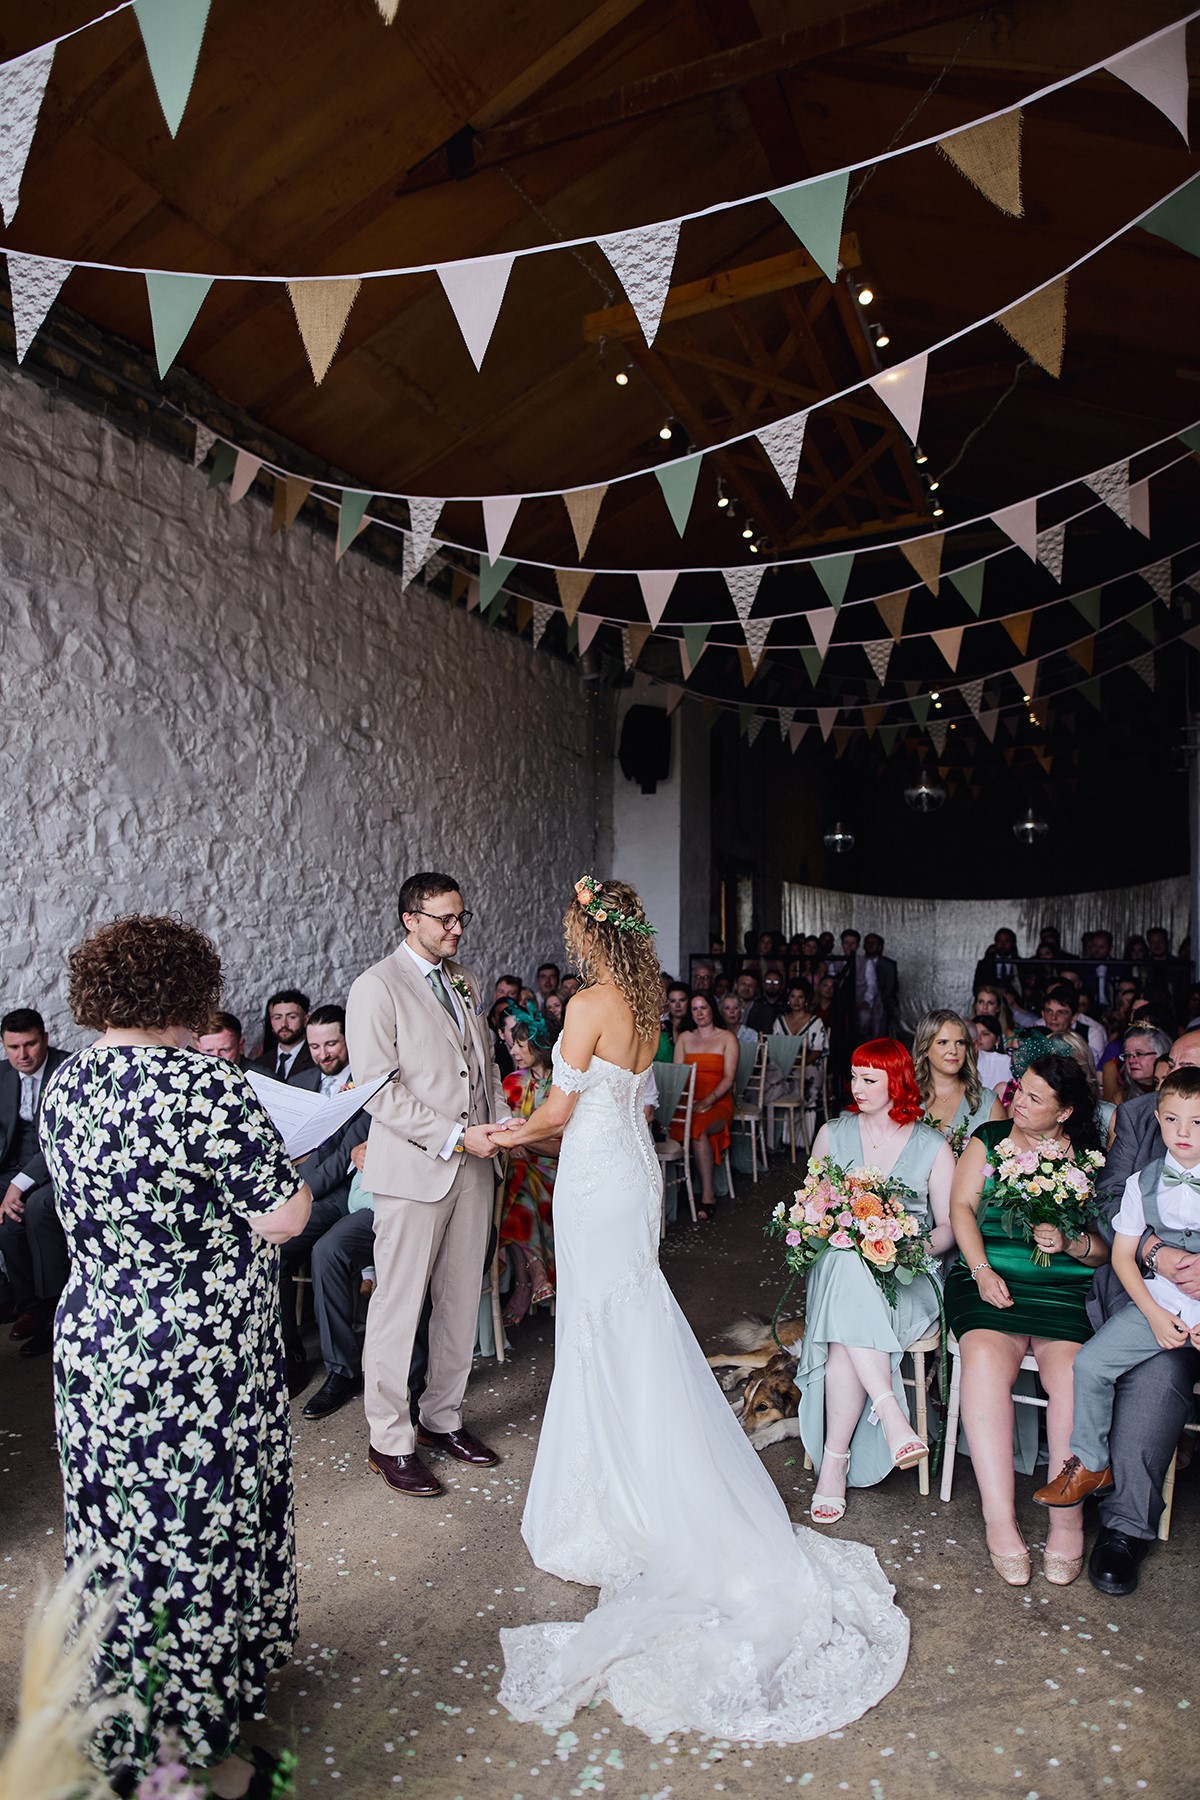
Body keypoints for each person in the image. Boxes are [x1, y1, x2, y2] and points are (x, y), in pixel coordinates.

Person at [492, 876, 908, 1742]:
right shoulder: (644, 1002)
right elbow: (628, 1098)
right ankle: (642, 1461)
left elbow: (559, 1112)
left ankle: (616, 1492)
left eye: (573, 931)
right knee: (626, 1315)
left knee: (602, 1322)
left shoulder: (591, 1001)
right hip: (634, 1175)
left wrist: (495, 1133)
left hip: (598, 1176)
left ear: (587, 933)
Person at [41, 914, 311, 1795]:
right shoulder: (209, 1088)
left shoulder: (65, 1084)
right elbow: (282, 1216)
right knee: (198, 1531)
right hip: (195, 1349)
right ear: (186, 991)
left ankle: (123, 1701)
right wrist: (292, 1171)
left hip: (97, 1336)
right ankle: (196, 1732)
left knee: (118, 1527)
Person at [345, 871, 503, 1500]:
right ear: (411, 918)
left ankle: (442, 1419)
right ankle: (389, 1439)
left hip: (475, 1164)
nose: (457, 928)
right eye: (445, 919)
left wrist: (493, 1134)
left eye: (462, 917)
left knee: (461, 1298)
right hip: (415, 1167)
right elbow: (378, 1089)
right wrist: (456, 1135)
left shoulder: (461, 981)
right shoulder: (375, 986)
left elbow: (478, 1067)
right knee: (398, 1305)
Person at [943, 1054, 1108, 1586]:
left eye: (1036, 1098)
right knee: (986, 1364)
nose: (1019, 1101)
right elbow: (962, 1210)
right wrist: (982, 1271)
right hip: (989, 1280)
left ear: (1065, 1113)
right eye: (1020, 1090)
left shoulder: (1087, 1158)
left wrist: (1069, 1241)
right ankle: (1000, 1519)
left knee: (1077, 1377)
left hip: (1062, 1290)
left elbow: (1106, 1250)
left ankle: (1067, 1522)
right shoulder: (989, 1138)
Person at [796, 1041, 955, 1522]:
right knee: (846, 1261)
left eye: (870, 1079)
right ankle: (891, 1415)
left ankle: (834, 1463)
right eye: (854, 1077)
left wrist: (905, 1247)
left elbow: (947, 1228)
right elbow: (809, 1210)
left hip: (906, 1274)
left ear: (897, 1083)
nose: (857, 1088)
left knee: (845, 1329)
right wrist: (833, 1229)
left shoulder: (932, 1145)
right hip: (840, 1269)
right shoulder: (832, 1133)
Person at [1034, 1066, 1200, 1514]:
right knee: (1089, 1365)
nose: (1182, 1132)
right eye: (1171, 1120)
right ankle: (1091, 1463)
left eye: (1197, 1122)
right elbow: (1123, 1257)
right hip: (1160, 1300)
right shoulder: (1140, 1182)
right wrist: (1153, 1314)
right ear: (1157, 1117)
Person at [1081, 1027, 1200, 1592]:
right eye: (1172, 1063)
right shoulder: (1140, 1116)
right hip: (1145, 1284)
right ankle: (1118, 1513)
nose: (1174, 1075)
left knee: (1157, 1368)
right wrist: (1157, 1250)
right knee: (1141, 1364)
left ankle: (1124, 1516)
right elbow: (1108, 1198)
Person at [0, 1009, 69, 1351]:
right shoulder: (2, 1075)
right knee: (8, 1221)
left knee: (37, 1211)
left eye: (29, 1044)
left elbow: (62, 1137)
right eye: (13, 1047)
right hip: (11, 1167)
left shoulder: (67, 1070)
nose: (22, 1055)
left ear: (44, 1039)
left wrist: (19, 1183)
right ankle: (27, 1306)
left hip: (55, 1167)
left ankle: (51, 1309)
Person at [498, 1006, 558, 1325]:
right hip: (518, 1167)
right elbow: (496, 1130)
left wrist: (521, 1140)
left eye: (521, 1044)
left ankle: (525, 1284)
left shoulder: (562, 1087)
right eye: (512, 1044)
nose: (514, 1051)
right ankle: (535, 1276)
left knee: (522, 1183)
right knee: (517, 1181)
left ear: (540, 1044)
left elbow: (563, 1145)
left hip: (555, 1167)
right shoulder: (511, 1083)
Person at [670, 990, 738, 1222]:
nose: (699, 1013)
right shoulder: (684, 1038)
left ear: (712, 1009)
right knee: (663, 1126)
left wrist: (708, 1100)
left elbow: (729, 1077)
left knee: (698, 1128)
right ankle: (671, 1194)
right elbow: (678, 1075)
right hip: (686, 1102)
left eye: (703, 1007)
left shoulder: (727, 1038)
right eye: (695, 1009)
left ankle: (707, 1195)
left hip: (717, 1102)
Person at [913, 1010, 1006, 1153]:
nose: (953, 1050)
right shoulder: (906, 1097)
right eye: (943, 1042)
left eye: (960, 1043)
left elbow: (1002, 1163)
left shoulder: (988, 1103)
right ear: (924, 1049)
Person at [768, 978, 830, 1145]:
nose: (796, 1001)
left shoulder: (815, 1021)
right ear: (788, 999)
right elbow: (776, 1047)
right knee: (771, 1080)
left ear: (806, 1000)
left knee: (806, 1081)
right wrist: (786, 1064)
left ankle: (802, 1141)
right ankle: (782, 1139)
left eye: (800, 997)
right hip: (784, 1064)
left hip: (810, 1064)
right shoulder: (780, 1021)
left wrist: (800, 1065)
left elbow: (817, 1050)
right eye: (793, 997)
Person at [250, 988, 315, 1082]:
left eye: (292, 1017)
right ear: (271, 1021)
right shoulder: (261, 1063)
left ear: (305, 1020)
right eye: (277, 1018)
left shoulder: (315, 1059)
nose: (284, 1024)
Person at [1102, 1022, 1172, 1107]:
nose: (1131, 1060)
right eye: (1127, 1055)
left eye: (1139, 1053)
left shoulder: (1177, 1095)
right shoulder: (1119, 1100)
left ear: (1161, 1054)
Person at [305, 1003, 351, 1095]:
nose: (323, 1056)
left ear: (347, 1039)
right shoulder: (296, 1082)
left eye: (331, 1044)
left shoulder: (368, 1080)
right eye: (315, 1047)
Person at [972, 1016, 1013, 1094]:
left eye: (985, 1034)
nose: (979, 1038)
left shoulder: (1006, 1062)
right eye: (975, 1033)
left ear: (997, 1040)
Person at [655, 980, 692, 1061]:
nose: (677, 1005)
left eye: (682, 1000)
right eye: (673, 1001)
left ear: (689, 1001)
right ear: (668, 1003)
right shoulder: (661, 1027)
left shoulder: (697, 1027)